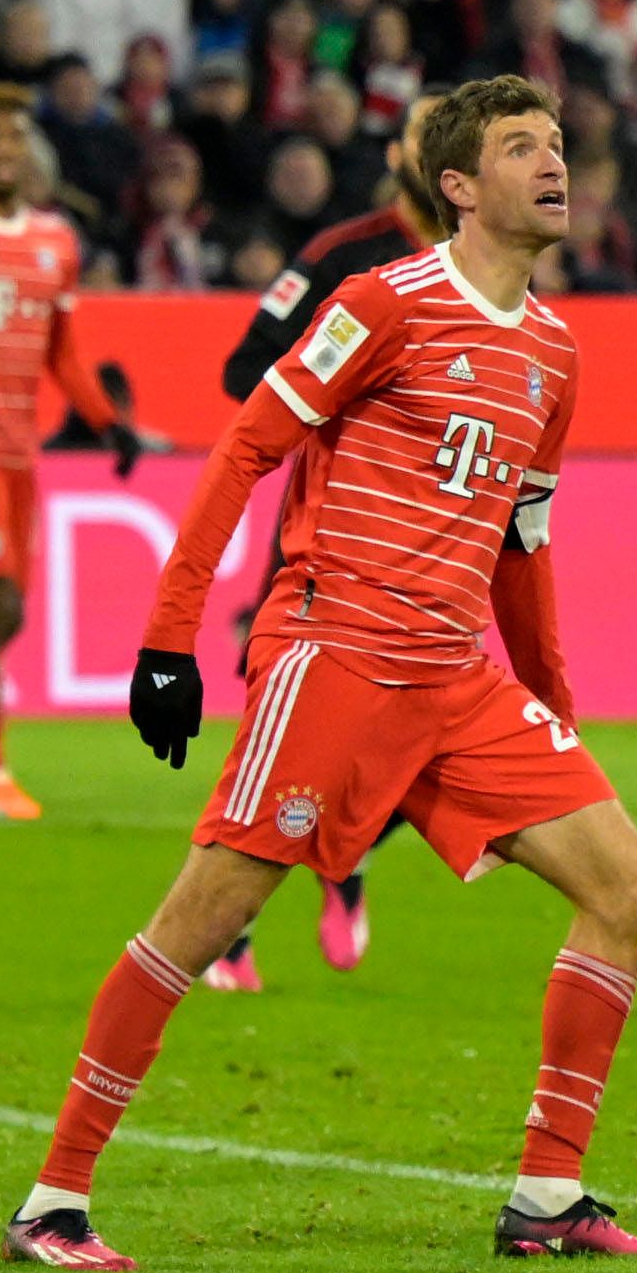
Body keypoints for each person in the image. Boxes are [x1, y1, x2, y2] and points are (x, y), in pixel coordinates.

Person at [4, 77, 637, 1271]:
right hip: (335, 656)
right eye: (523, 147)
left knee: (630, 888)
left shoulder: (555, 357)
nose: (554, 163)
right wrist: (167, 640)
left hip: (455, 680)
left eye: (560, 144)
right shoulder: (382, 303)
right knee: (206, 917)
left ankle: (546, 1195)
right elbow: (245, 448)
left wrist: (551, 708)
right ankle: (53, 1200)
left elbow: (524, 546)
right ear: (459, 187)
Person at [197, 91, 449, 989]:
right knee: (283, 728)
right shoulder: (345, 256)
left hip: (434, 544)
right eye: (428, 135)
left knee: (410, 735)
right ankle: (229, 924)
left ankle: (346, 860)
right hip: (329, 525)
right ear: (399, 154)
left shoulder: (493, 271)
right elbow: (242, 369)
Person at [0, 87, 145, 822]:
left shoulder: (55, 241)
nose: (4, 151)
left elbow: (64, 352)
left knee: (2, 615)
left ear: (30, 153)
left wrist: (109, 421)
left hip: (19, 444)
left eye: (17, 139)